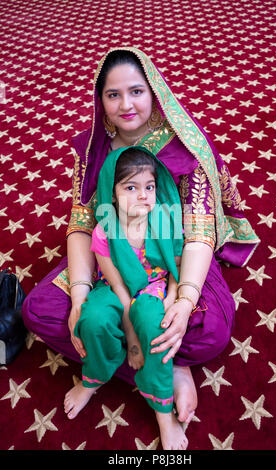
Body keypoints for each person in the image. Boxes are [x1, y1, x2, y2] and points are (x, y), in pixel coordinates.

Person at [22, 47, 260, 430]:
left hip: (173, 256)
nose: (125, 104)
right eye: (113, 95)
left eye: (136, 91)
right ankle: (166, 367)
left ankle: (159, 360)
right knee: (40, 311)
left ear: (155, 92)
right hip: (110, 255)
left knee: (209, 331)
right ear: (100, 100)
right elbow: (82, 223)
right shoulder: (93, 148)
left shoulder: (186, 145)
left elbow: (199, 232)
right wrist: (81, 296)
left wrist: (183, 299)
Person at [65, 146, 189, 449]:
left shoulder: (163, 220)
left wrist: (173, 297)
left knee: (155, 323)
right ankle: (93, 379)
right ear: (113, 191)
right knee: (92, 318)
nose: (143, 195)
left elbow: (175, 266)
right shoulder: (104, 233)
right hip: (115, 287)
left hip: (154, 286)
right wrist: (133, 344)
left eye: (149, 187)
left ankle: (162, 412)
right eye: (131, 187)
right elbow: (120, 290)